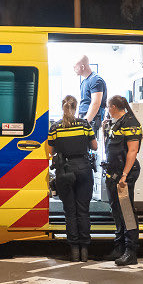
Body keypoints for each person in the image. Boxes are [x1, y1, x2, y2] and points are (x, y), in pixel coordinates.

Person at [46, 95, 97, 261]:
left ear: (63, 107)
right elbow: (94, 146)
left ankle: (74, 250)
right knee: (83, 211)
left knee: (70, 212)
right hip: (83, 169)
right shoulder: (84, 124)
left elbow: (50, 152)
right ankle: (85, 251)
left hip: (64, 172)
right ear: (75, 108)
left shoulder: (55, 127)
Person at [103, 95, 142, 266]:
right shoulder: (116, 122)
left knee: (127, 212)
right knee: (117, 212)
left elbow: (132, 151)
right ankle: (119, 248)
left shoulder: (131, 123)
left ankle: (130, 252)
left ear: (113, 106)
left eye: (108, 106)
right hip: (113, 173)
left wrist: (125, 175)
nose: (107, 109)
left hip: (124, 174)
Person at [74, 55, 107, 130]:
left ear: (82, 67)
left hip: (92, 120)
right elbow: (84, 102)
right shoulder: (84, 81)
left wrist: (86, 122)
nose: (74, 69)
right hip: (85, 118)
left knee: (90, 141)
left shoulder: (96, 80)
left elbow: (96, 103)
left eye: (75, 67)